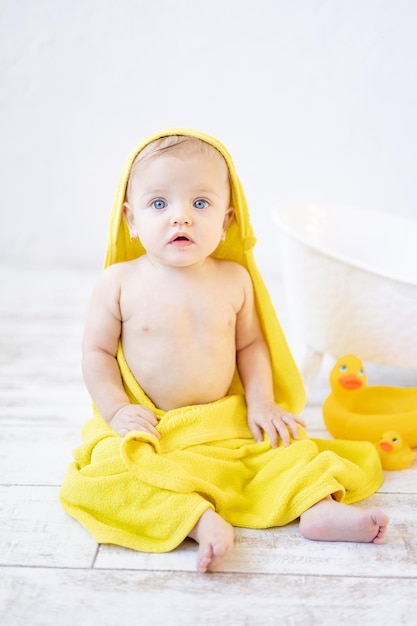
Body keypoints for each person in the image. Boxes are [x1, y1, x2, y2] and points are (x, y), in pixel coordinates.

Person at [61, 129, 389, 573]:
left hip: (227, 423)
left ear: (228, 219)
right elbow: (96, 353)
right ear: (131, 219)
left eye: (200, 203)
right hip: (154, 429)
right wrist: (117, 411)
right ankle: (197, 520)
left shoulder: (234, 280)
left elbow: (252, 345)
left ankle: (317, 507)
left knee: (291, 451)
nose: (182, 218)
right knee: (110, 474)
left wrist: (261, 403)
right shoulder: (118, 282)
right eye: (160, 204)